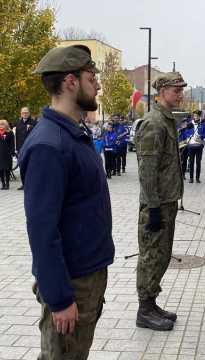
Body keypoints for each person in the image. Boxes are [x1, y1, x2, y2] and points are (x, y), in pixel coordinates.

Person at [18, 45, 115, 360]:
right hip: (72, 282)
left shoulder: (74, 133)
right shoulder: (49, 143)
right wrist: (59, 299)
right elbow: (42, 231)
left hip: (88, 275)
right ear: (71, 82)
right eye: (92, 77)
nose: (97, 85)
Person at [135, 72, 186, 331]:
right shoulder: (154, 122)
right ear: (163, 90)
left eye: (181, 89)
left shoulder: (166, 120)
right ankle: (144, 310)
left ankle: (151, 302)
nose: (180, 94)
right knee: (151, 256)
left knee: (162, 255)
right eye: (176, 90)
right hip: (156, 204)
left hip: (166, 201)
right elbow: (147, 169)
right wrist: (153, 207)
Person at [14, 107, 37, 190]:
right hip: (20, 148)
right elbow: (16, 136)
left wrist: (30, 127)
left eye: (26, 112)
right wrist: (16, 149)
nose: (25, 114)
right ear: (21, 114)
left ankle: (31, 184)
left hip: (30, 148)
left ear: (29, 113)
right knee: (22, 167)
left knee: (30, 167)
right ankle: (24, 184)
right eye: (23, 112)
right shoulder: (18, 123)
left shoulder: (33, 122)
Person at [187, 110, 205, 183]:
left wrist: (201, 136)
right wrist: (189, 136)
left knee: (198, 163)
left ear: (199, 116)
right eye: (194, 115)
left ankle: (197, 178)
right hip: (191, 146)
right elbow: (186, 132)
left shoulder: (202, 124)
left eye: (196, 116)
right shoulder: (190, 124)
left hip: (199, 146)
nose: (195, 117)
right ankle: (191, 178)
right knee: (191, 162)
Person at [0, 119, 15, 190]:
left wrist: (12, 152)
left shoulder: (10, 133)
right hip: (0, 154)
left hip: (7, 154)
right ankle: (3, 184)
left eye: (2, 124)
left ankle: (7, 184)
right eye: (0, 124)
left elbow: (12, 143)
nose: (1, 126)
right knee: (0, 170)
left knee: (7, 169)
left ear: (6, 125)